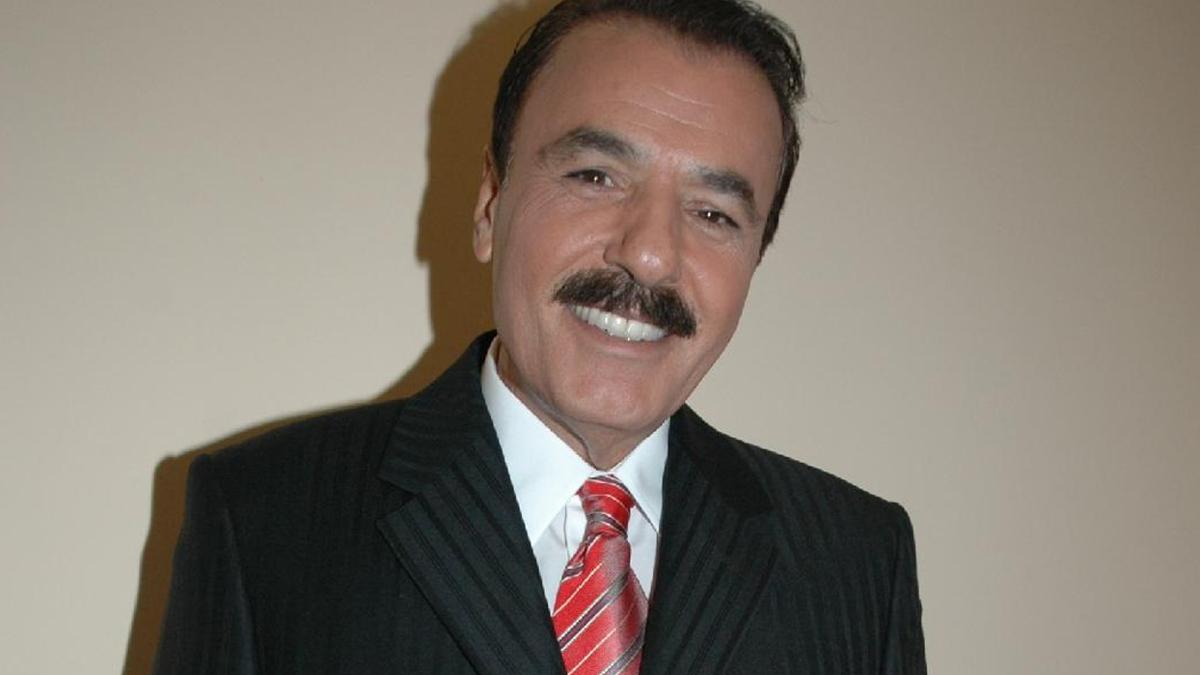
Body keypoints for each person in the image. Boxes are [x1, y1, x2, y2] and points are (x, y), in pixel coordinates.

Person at [153, 1, 926, 673]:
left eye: (714, 213)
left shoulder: (856, 560)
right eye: (596, 176)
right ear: (490, 205)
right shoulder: (265, 518)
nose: (650, 253)